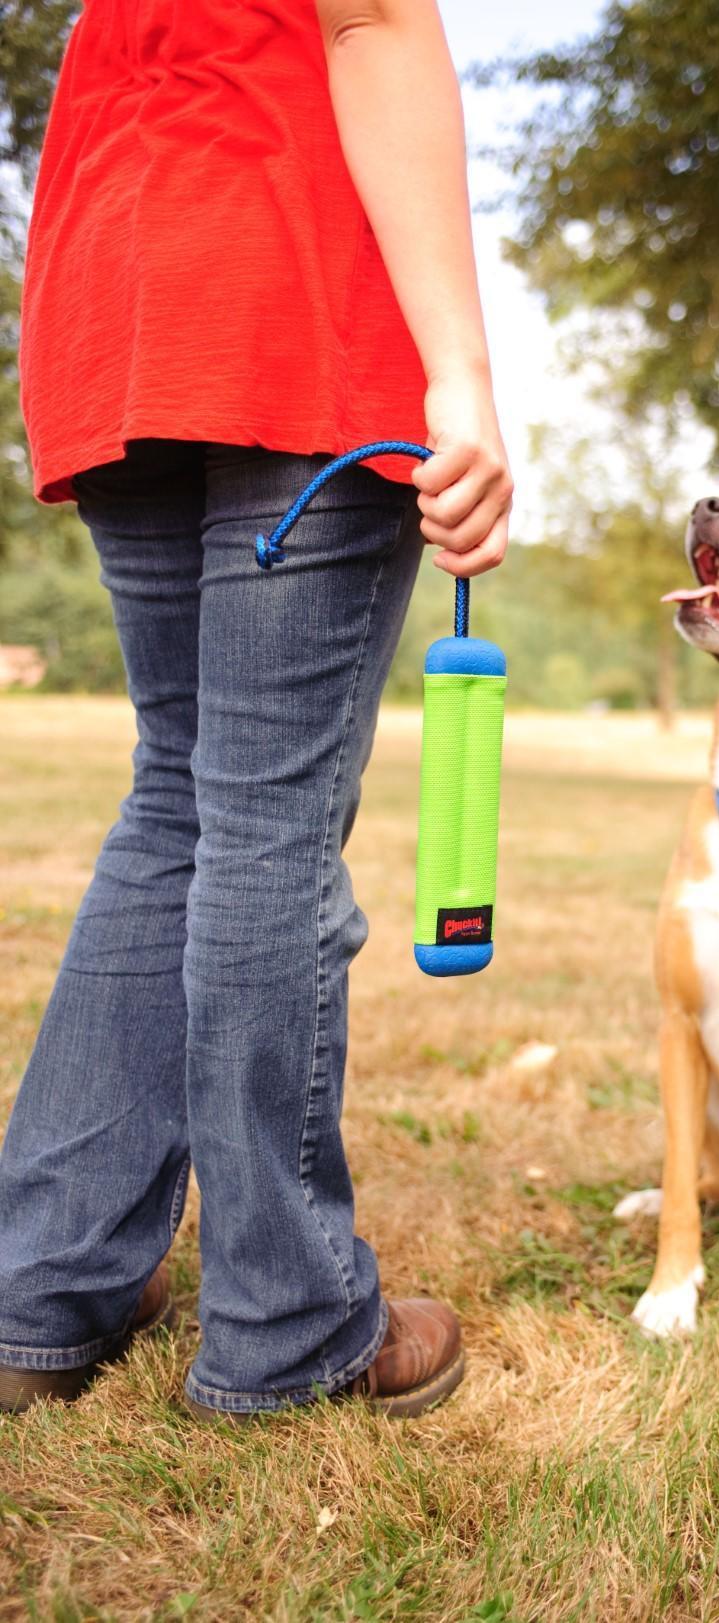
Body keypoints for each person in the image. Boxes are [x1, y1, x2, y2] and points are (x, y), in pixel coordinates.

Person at [0, 0, 512, 1420]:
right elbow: (369, 21)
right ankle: (287, 1325)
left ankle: (43, 1290)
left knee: (183, 788)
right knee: (265, 814)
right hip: (291, 295)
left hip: (115, 287)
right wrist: (462, 374)